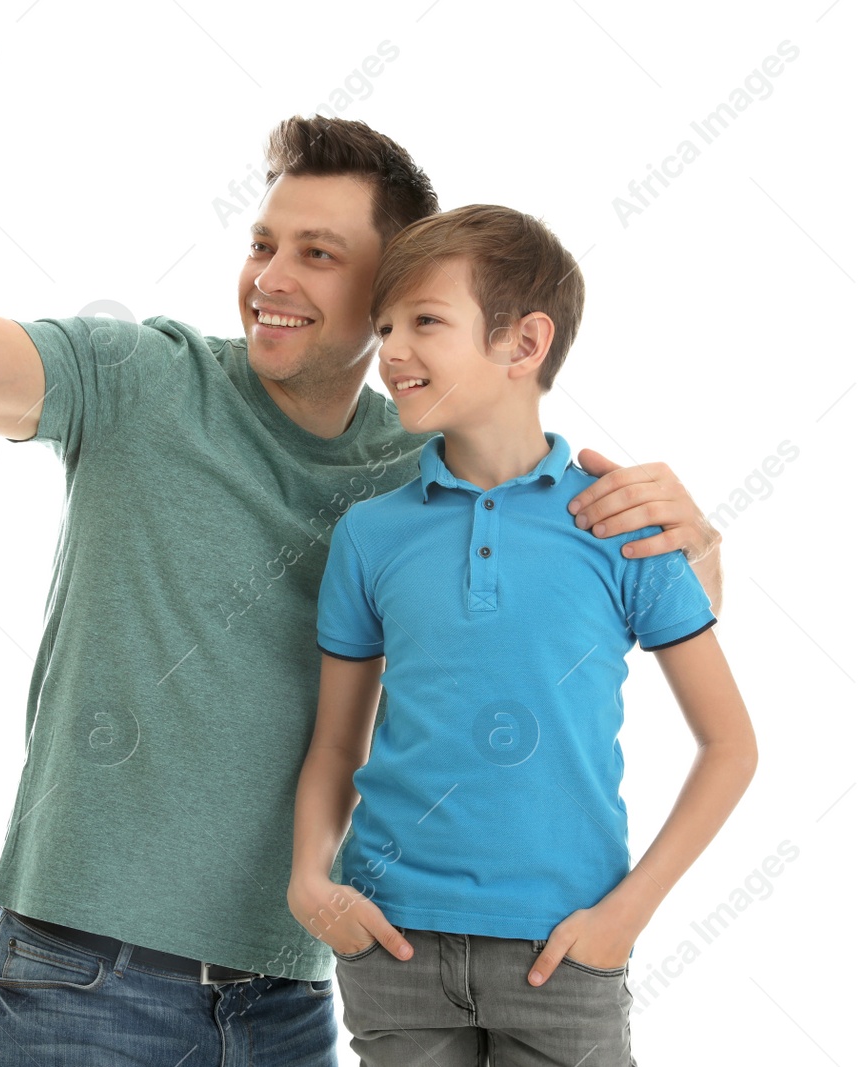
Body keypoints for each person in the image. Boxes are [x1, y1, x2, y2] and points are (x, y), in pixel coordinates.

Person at [0, 116, 726, 1066]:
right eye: (263, 243)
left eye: (318, 253)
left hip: (295, 993)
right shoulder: (137, 380)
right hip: (89, 976)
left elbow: (605, 598)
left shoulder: (421, 474)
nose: (272, 278)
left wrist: (692, 531)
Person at [289, 203, 756, 1066]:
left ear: (524, 343)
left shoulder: (621, 524)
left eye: (425, 321)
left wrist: (623, 917)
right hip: (391, 947)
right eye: (385, 325)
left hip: (563, 953)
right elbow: (335, 745)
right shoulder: (370, 534)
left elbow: (730, 746)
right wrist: (312, 882)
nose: (390, 351)